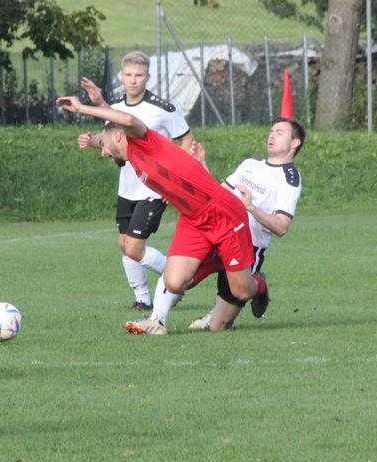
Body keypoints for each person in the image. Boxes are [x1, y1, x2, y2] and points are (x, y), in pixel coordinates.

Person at [57, 95, 269, 336]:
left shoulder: (144, 141)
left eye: (104, 146)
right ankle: (214, 264)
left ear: (118, 136)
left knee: (242, 291)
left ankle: (260, 286)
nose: (104, 153)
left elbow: (125, 119)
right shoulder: (132, 159)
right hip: (194, 221)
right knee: (174, 282)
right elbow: (112, 131)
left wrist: (83, 107)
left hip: (224, 215)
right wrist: (94, 140)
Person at [79, 51, 195, 313]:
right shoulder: (115, 107)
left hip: (153, 189)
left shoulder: (163, 109)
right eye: (129, 75)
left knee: (133, 246)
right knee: (125, 246)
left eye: (139, 75)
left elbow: (187, 140)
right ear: (122, 75)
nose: (133, 80)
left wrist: (174, 180)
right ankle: (143, 298)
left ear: (148, 77)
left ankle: (178, 278)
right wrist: (91, 141)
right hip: (127, 186)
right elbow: (109, 138)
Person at [186, 118, 304, 332]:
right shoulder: (250, 165)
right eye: (271, 131)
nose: (271, 135)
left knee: (217, 328)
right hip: (218, 239)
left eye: (279, 132)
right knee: (181, 280)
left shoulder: (289, 179)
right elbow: (217, 194)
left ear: (295, 143)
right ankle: (157, 318)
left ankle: (258, 286)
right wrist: (201, 164)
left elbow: (281, 227)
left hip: (246, 250)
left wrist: (250, 207)